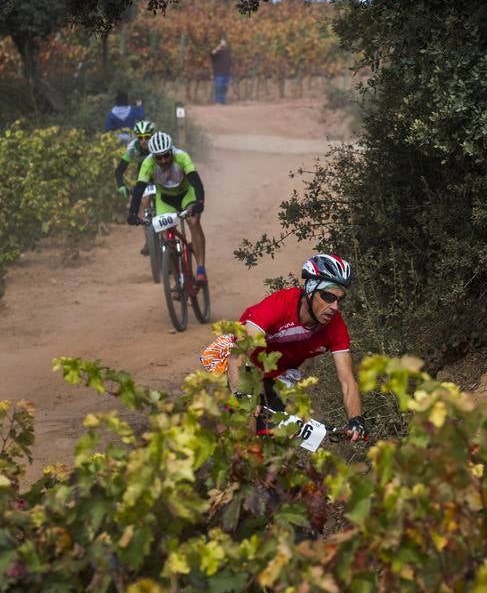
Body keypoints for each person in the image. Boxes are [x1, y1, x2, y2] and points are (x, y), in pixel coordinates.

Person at [225, 254, 366, 441]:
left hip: (277, 375)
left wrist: (356, 419)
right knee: (247, 430)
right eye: (328, 297)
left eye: (340, 300)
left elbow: (348, 381)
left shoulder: (335, 327)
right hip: (243, 363)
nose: (335, 307)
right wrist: (241, 396)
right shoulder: (278, 307)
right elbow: (237, 357)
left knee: (275, 442)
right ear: (310, 289)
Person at [126, 131, 207, 282]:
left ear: (171, 151)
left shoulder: (181, 156)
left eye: (166, 155)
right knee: (165, 237)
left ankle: (201, 268)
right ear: (153, 156)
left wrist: (199, 203)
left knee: (194, 222)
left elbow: (196, 182)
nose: (163, 160)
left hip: (186, 194)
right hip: (165, 199)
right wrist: (132, 213)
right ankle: (178, 280)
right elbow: (138, 190)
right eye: (159, 157)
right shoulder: (148, 163)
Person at [115, 120, 155, 256]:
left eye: (147, 137)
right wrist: (121, 185)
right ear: (137, 138)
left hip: (159, 172)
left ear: (152, 136)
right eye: (141, 137)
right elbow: (119, 170)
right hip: (143, 173)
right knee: (144, 203)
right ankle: (148, 239)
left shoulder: (157, 144)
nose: (144, 141)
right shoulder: (133, 148)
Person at [210, 37, 231, 104]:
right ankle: (217, 101)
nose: (223, 45)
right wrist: (217, 48)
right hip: (219, 73)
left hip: (226, 73)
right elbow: (212, 54)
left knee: (224, 88)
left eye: (224, 43)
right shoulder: (216, 52)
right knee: (218, 87)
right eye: (222, 44)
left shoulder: (227, 52)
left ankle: (222, 101)